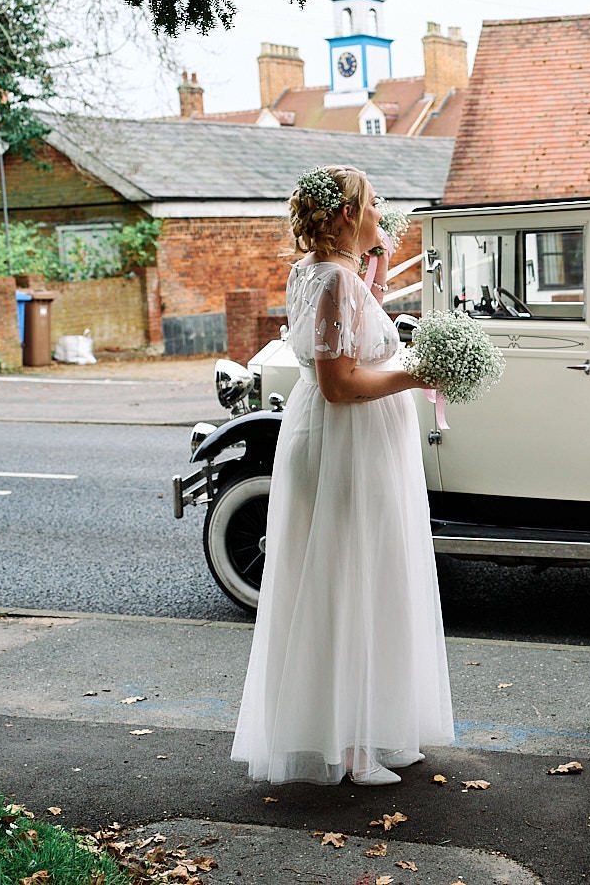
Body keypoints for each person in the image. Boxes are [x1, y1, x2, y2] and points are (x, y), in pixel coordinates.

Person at [231, 164, 454, 785]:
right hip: (347, 440)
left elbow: (345, 341)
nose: (382, 213)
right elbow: (339, 383)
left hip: (333, 436)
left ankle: (358, 728)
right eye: (374, 203)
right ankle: (352, 746)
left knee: (345, 573)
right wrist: (417, 375)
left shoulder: (315, 272)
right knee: (354, 575)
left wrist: (373, 268)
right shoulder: (334, 280)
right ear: (349, 213)